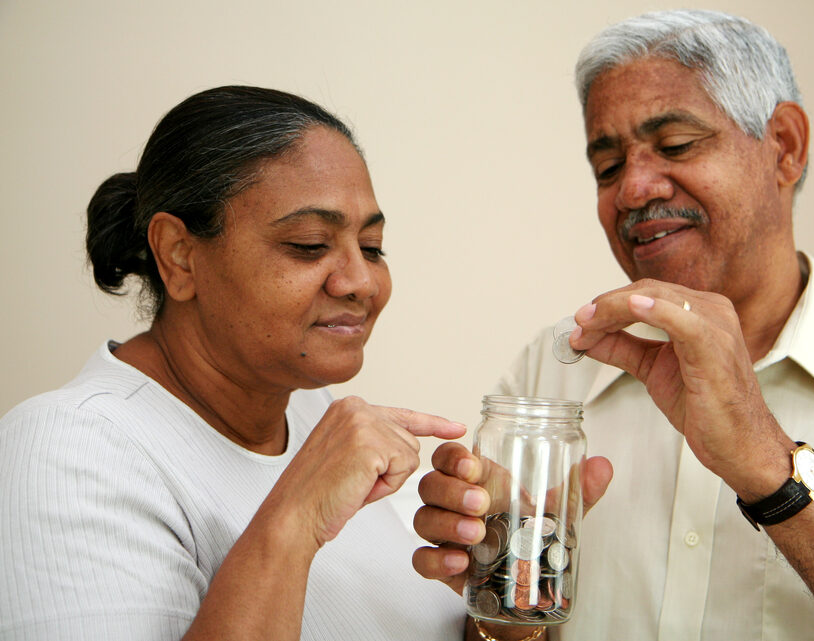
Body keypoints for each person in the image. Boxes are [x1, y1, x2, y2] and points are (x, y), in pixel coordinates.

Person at [411, 10, 814, 641]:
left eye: (675, 145)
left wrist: (771, 466)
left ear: (786, 146)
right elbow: (501, 634)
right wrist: (504, 606)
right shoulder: (553, 375)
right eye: (607, 167)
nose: (633, 189)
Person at [0, 86, 469, 640]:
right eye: (309, 244)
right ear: (179, 254)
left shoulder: (320, 415)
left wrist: (511, 596)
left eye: (372, 246)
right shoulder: (70, 449)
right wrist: (296, 517)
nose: (362, 282)